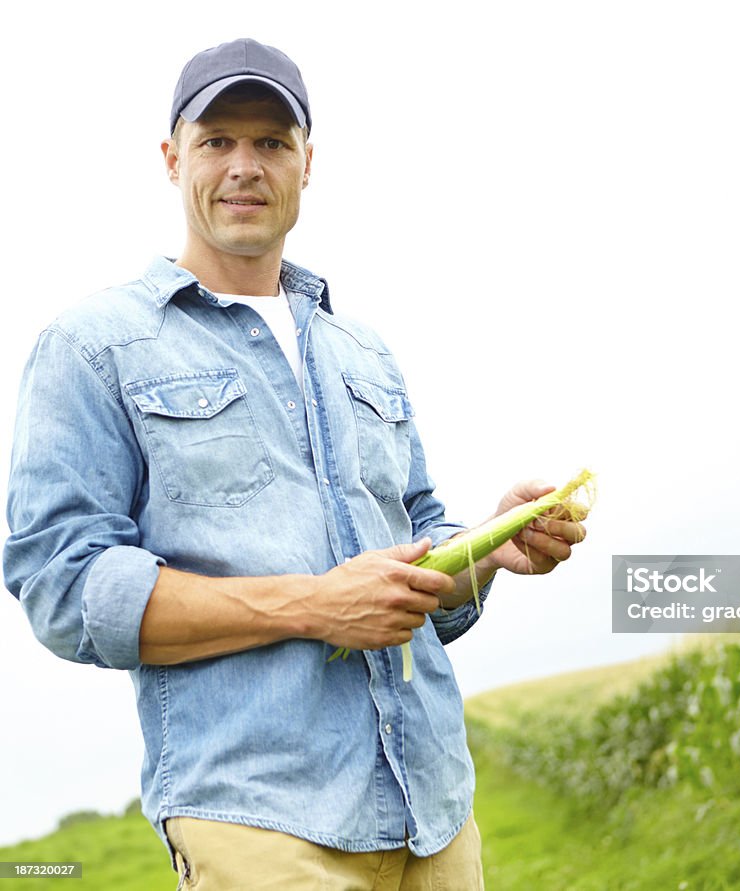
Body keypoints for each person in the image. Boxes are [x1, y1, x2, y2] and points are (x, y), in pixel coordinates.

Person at [3, 38, 586, 889]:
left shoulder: (363, 353)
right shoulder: (92, 348)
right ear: (172, 160)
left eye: (271, 142)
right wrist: (316, 606)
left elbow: (417, 552)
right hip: (259, 817)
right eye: (217, 141)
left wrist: (490, 545)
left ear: (309, 163)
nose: (245, 165)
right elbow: (66, 588)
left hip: (434, 807)